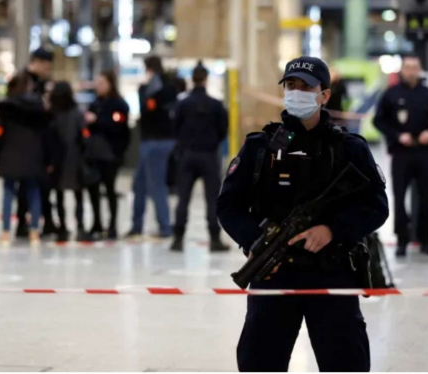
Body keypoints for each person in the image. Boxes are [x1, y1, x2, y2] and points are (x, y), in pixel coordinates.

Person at [217, 56, 388, 372]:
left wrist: (332, 230)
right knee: (259, 362)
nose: (297, 92)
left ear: (324, 95)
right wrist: (257, 240)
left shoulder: (348, 148)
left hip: (332, 271)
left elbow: (376, 206)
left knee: (346, 362)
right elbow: (228, 206)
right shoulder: (259, 147)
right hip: (273, 273)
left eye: (306, 87)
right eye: (291, 85)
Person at [373, 55, 428, 257]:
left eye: (414, 67)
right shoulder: (391, 94)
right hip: (401, 154)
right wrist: (397, 135)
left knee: (426, 198)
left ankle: (425, 239)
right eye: (407, 67)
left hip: (423, 154)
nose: (411, 71)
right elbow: (378, 121)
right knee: (399, 198)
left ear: (419, 70)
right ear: (402, 70)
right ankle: (402, 239)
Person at [170, 62, 229, 252]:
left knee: (183, 198)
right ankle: (214, 239)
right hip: (209, 156)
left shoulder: (182, 104)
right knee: (212, 199)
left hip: (187, 155)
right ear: (205, 79)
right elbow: (223, 130)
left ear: (192, 79)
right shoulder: (216, 104)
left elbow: (175, 128)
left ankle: (178, 239)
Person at [0, 73, 52, 245]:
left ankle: (5, 231)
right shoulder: (39, 108)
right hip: (34, 155)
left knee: (8, 192)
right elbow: (46, 135)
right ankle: (34, 231)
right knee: (34, 192)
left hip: (9, 154)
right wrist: (48, 159)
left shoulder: (6, 108)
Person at [128, 56, 178, 238]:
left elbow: (148, 108)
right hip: (157, 141)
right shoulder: (170, 86)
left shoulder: (155, 87)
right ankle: (136, 225)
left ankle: (165, 227)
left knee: (156, 185)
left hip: (155, 142)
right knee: (139, 184)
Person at [84, 71, 131, 240]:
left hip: (111, 154)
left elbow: (119, 127)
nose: (99, 86)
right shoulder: (95, 103)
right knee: (93, 189)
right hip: (93, 154)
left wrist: (97, 120)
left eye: (102, 83)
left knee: (110, 189)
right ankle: (96, 222)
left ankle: (112, 225)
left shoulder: (119, 104)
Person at [16, 47, 55, 239]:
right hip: (26, 140)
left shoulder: (41, 83)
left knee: (43, 183)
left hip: (41, 140)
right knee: (26, 184)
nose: (48, 70)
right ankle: (23, 223)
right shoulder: (23, 81)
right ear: (38, 62)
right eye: (46, 66)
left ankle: (46, 221)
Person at [47, 81, 92, 242]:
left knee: (59, 195)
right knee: (78, 194)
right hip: (75, 158)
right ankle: (80, 226)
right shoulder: (76, 112)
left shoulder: (51, 113)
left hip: (57, 159)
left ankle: (62, 228)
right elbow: (83, 136)